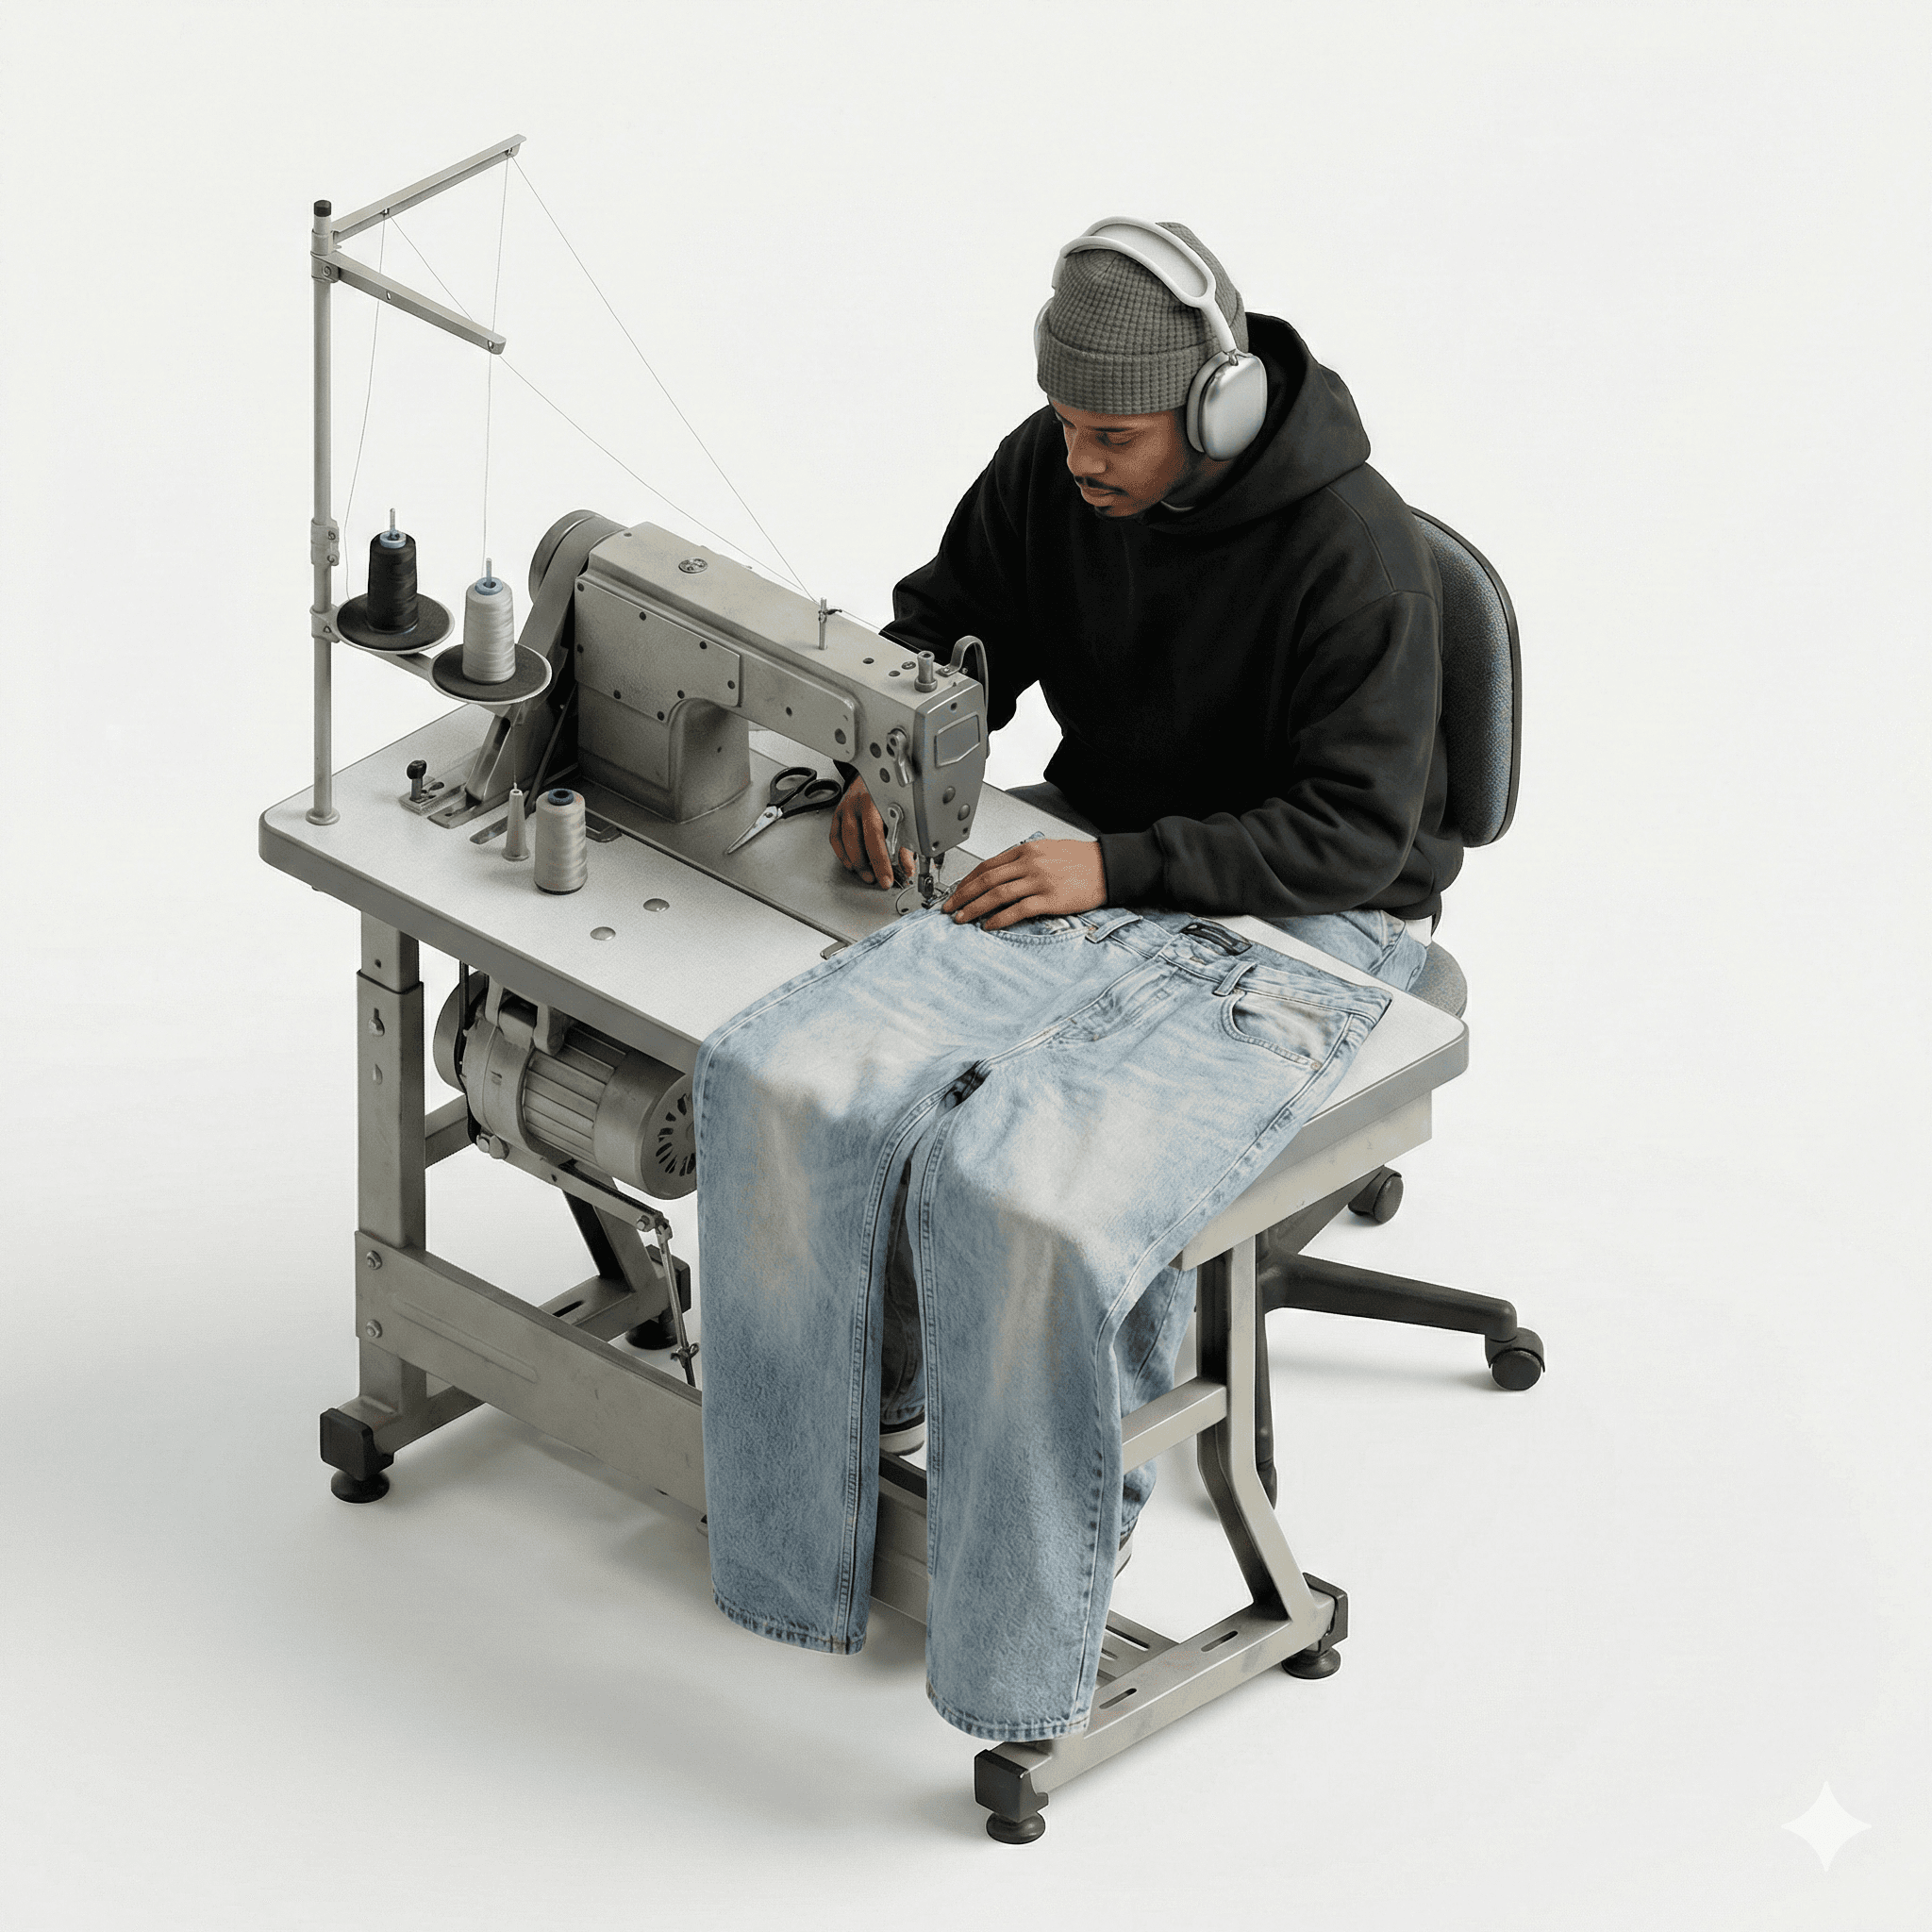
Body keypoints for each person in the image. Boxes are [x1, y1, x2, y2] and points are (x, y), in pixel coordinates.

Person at [825, 217, 1458, 1525]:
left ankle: (1048, 1499)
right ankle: (874, 1380)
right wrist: (900, 753)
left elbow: (1354, 833)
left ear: (1215, 410)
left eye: (1114, 438)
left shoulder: (1358, 557)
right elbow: (948, 618)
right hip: (1103, 845)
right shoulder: (1055, 470)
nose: (1081, 460)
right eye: (1067, 426)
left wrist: (1119, 868)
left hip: (1318, 903)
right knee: (882, 1063)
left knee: (1064, 1158)